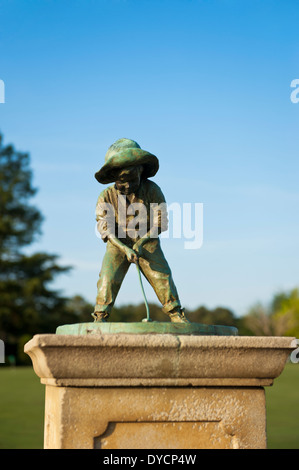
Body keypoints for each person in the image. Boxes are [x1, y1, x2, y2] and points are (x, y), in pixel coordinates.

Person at [93, 138, 189, 323]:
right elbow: (105, 227)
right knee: (108, 278)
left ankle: (176, 313)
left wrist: (142, 242)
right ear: (114, 177)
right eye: (122, 181)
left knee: (161, 275)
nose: (128, 185)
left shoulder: (152, 190)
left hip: (147, 240)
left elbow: (161, 221)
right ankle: (100, 316)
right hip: (118, 243)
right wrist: (124, 248)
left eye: (133, 179)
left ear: (141, 172)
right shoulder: (106, 196)